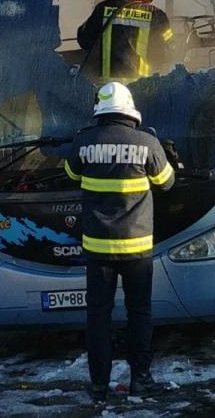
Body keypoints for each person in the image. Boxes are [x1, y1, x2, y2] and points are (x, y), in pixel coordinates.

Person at [63, 82, 176, 402]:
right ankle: (140, 378)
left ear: (100, 111)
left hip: (98, 250)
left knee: (98, 316)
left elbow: (70, 174)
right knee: (139, 313)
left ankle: (99, 383)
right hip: (137, 249)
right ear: (130, 111)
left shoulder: (85, 142)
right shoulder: (147, 143)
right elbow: (167, 183)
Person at [76, 0, 175, 81]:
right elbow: (166, 52)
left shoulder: (102, 9)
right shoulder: (157, 16)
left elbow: (84, 40)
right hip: (140, 88)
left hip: (106, 88)